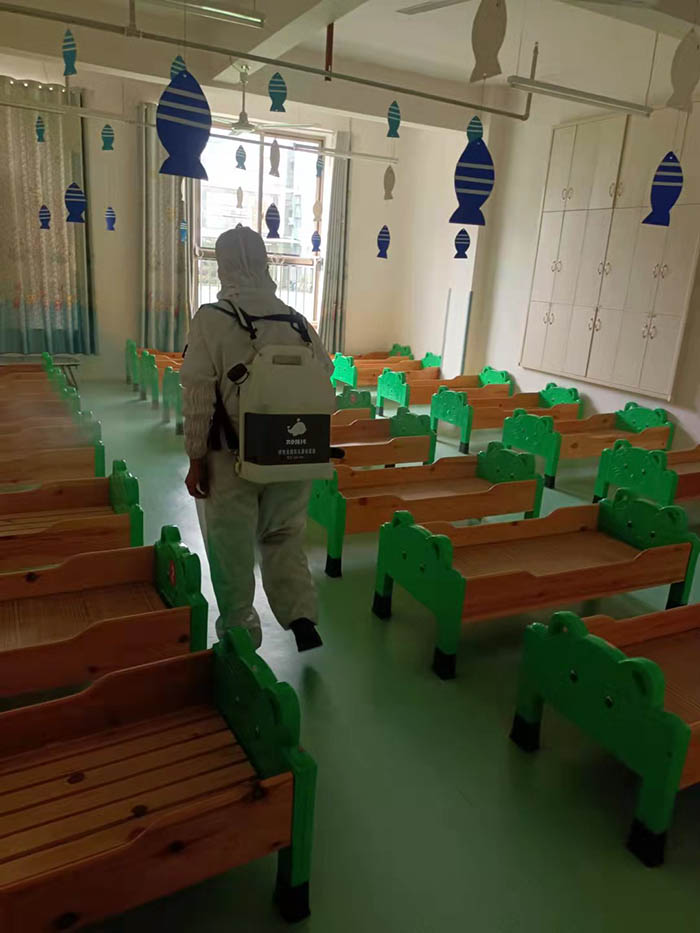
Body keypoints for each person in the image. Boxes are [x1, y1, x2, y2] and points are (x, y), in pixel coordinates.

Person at [180, 226, 333, 652]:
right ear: (264, 262)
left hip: (231, 457)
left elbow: (197, 395)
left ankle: (240, 632)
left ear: (223, 265)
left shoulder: (211, 318)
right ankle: (301, 615)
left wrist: (195, 458)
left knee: (230, 543)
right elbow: (324, 373)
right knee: (284, 533)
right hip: (293, 450)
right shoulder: (297, 321)